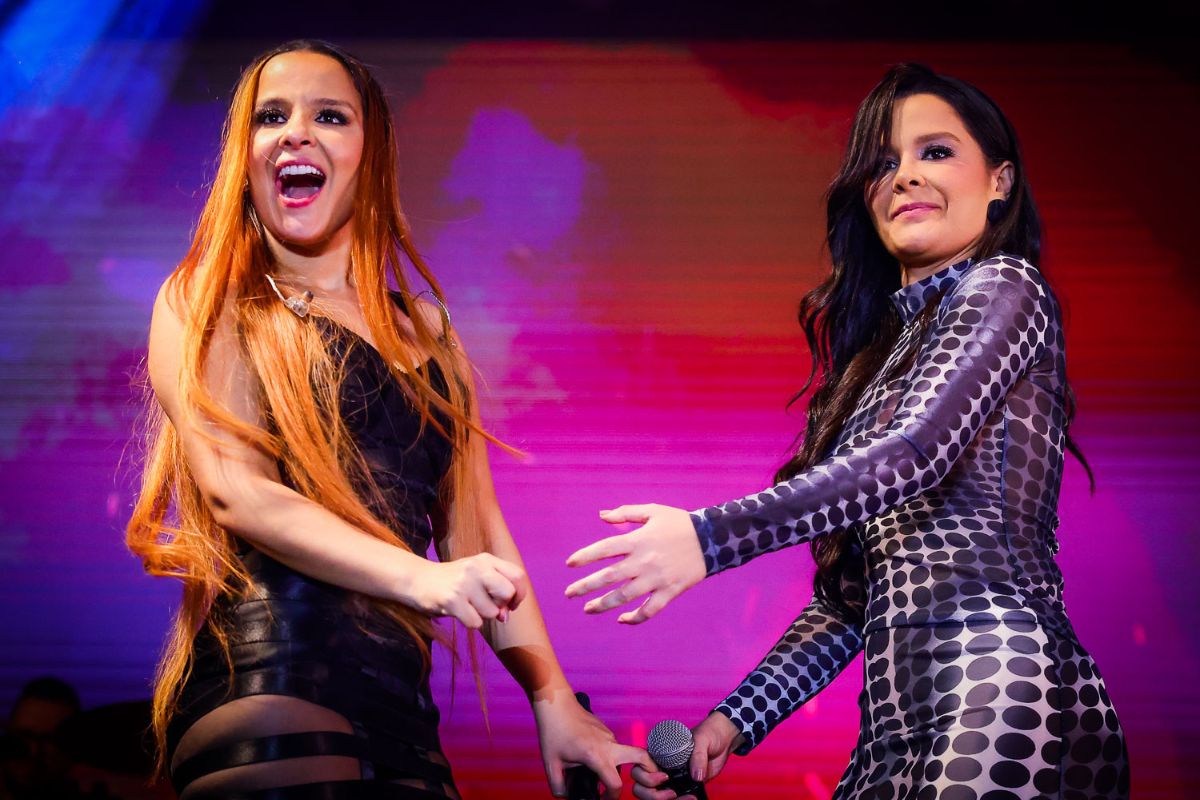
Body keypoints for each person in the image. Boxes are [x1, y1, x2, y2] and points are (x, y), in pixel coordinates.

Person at [566, 63, 1130, 799]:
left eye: (935, 152)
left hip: (1000, 688)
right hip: (894, 727)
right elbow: (852, 599)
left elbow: (915, 455)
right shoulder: (877, 364)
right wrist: (732, 724)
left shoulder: (1005, 287)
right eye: (883, 164)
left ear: (1000, 181)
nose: (905, 177)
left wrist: (710, 539)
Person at [126, 39, 648, 799]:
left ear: (369, 156)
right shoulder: (210, 297)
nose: (295, 133)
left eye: (328, 116)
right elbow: (237, 492)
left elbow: (477, 534)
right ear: (245, 155)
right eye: (272, 116)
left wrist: (553, 702)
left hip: (403, 709)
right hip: (272, 677)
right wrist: (424, 579)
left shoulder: (429, 330)